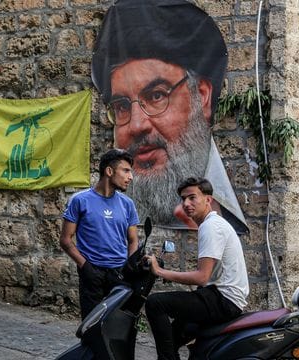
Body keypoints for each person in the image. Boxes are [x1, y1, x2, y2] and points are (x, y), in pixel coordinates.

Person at [91, 0, 247, 234]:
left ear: (202, 97)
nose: (136, 125)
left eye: (156, 96)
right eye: (121, 106)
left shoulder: (220, 224)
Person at [144, 177, 249, 360]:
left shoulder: (211, 227)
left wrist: (160, 271)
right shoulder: (213, 224)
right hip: (218, 296)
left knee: (155, 303)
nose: (186, 203)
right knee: (176, 334)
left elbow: (202, 277)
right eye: (183, 199)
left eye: (192, 197)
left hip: (223, 300)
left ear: (208, 200)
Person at [59, 149, 140, 319]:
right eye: (125, 171)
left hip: (119, 274)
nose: (130, 177)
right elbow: (66, 240)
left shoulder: (128, 204)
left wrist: (130, 267)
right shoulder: (80, 200)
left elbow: (133, 240)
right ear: (109, 171)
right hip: (91, 273)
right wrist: (85, 266)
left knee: (119, 326)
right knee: (91, 327)